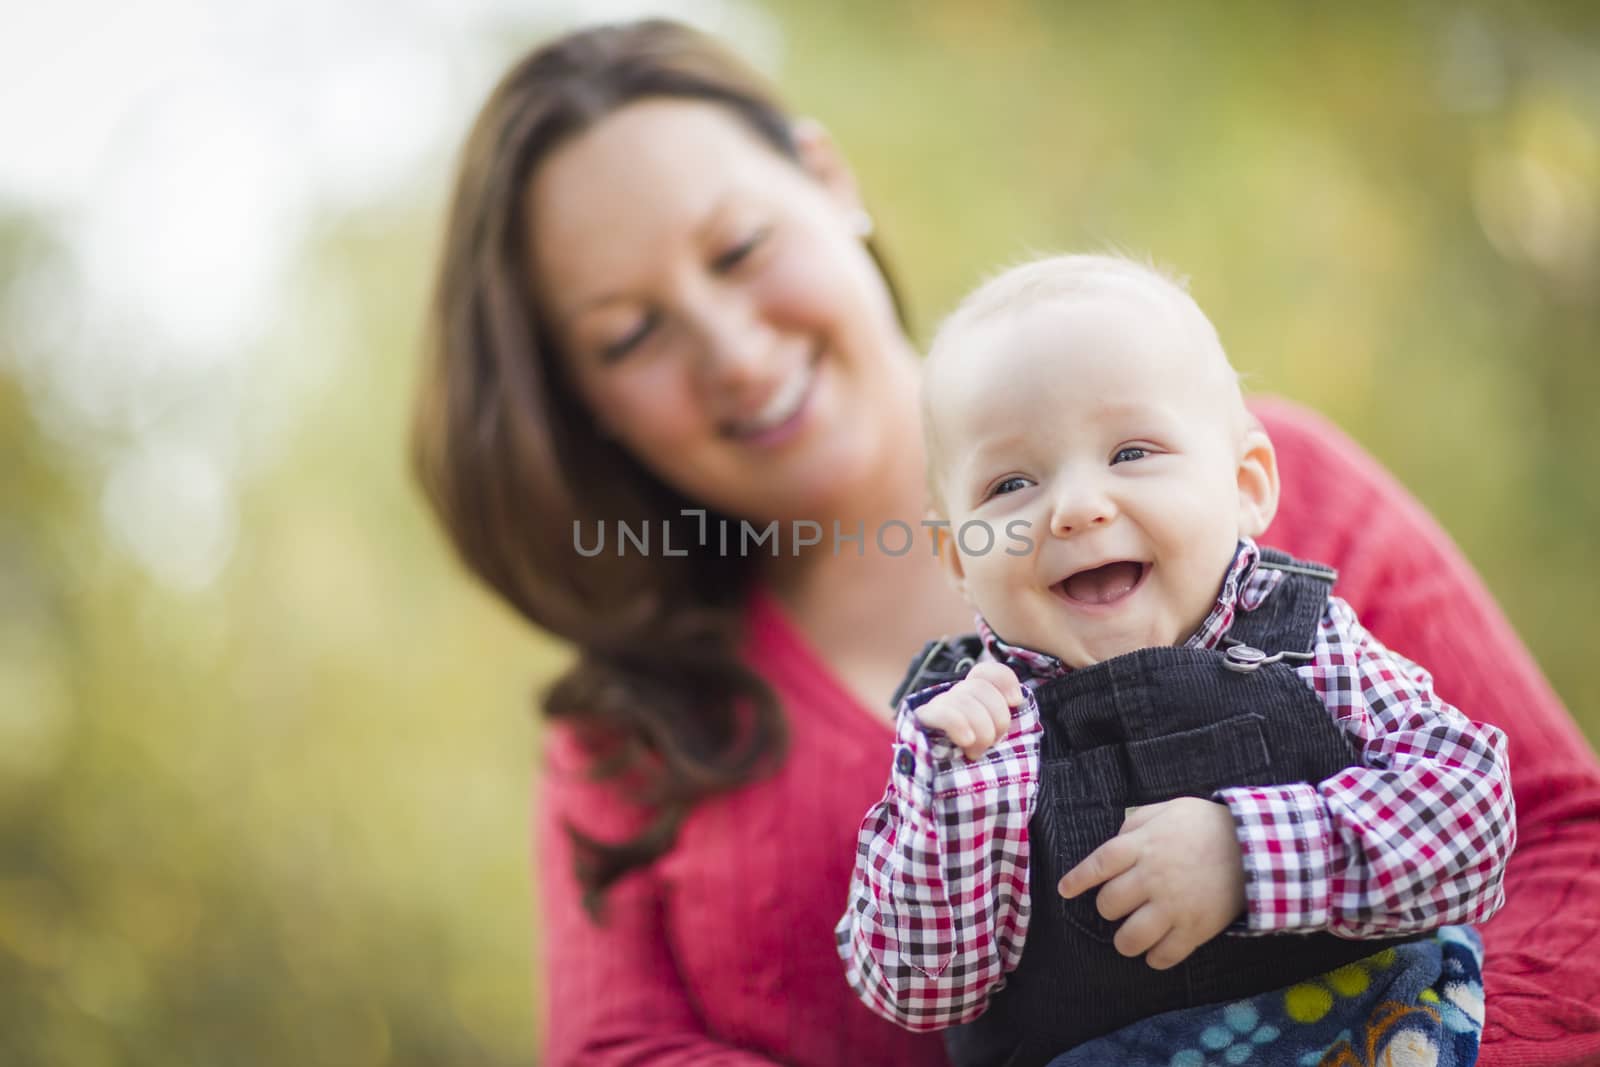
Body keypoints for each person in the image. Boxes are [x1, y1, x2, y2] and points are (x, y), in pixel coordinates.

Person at [408, 18, 1600, 1067]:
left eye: (737, 250)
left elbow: (1555, 845)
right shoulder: (629, 724)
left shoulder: (1274, 514)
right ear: (585, 400)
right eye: (628, 335)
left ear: (827, 179)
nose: (729, 346)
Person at [835, 253, 1513, 1067]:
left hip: (1364, 1035)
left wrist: (1245, 852)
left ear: (1246, 484)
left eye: (1132, 453)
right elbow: (915, 987)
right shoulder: (967, 735)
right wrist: (951, 799)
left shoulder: (1308, 642)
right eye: (1012, 482)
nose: (1079, 508)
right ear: (956, 555)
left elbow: (1472, 819)